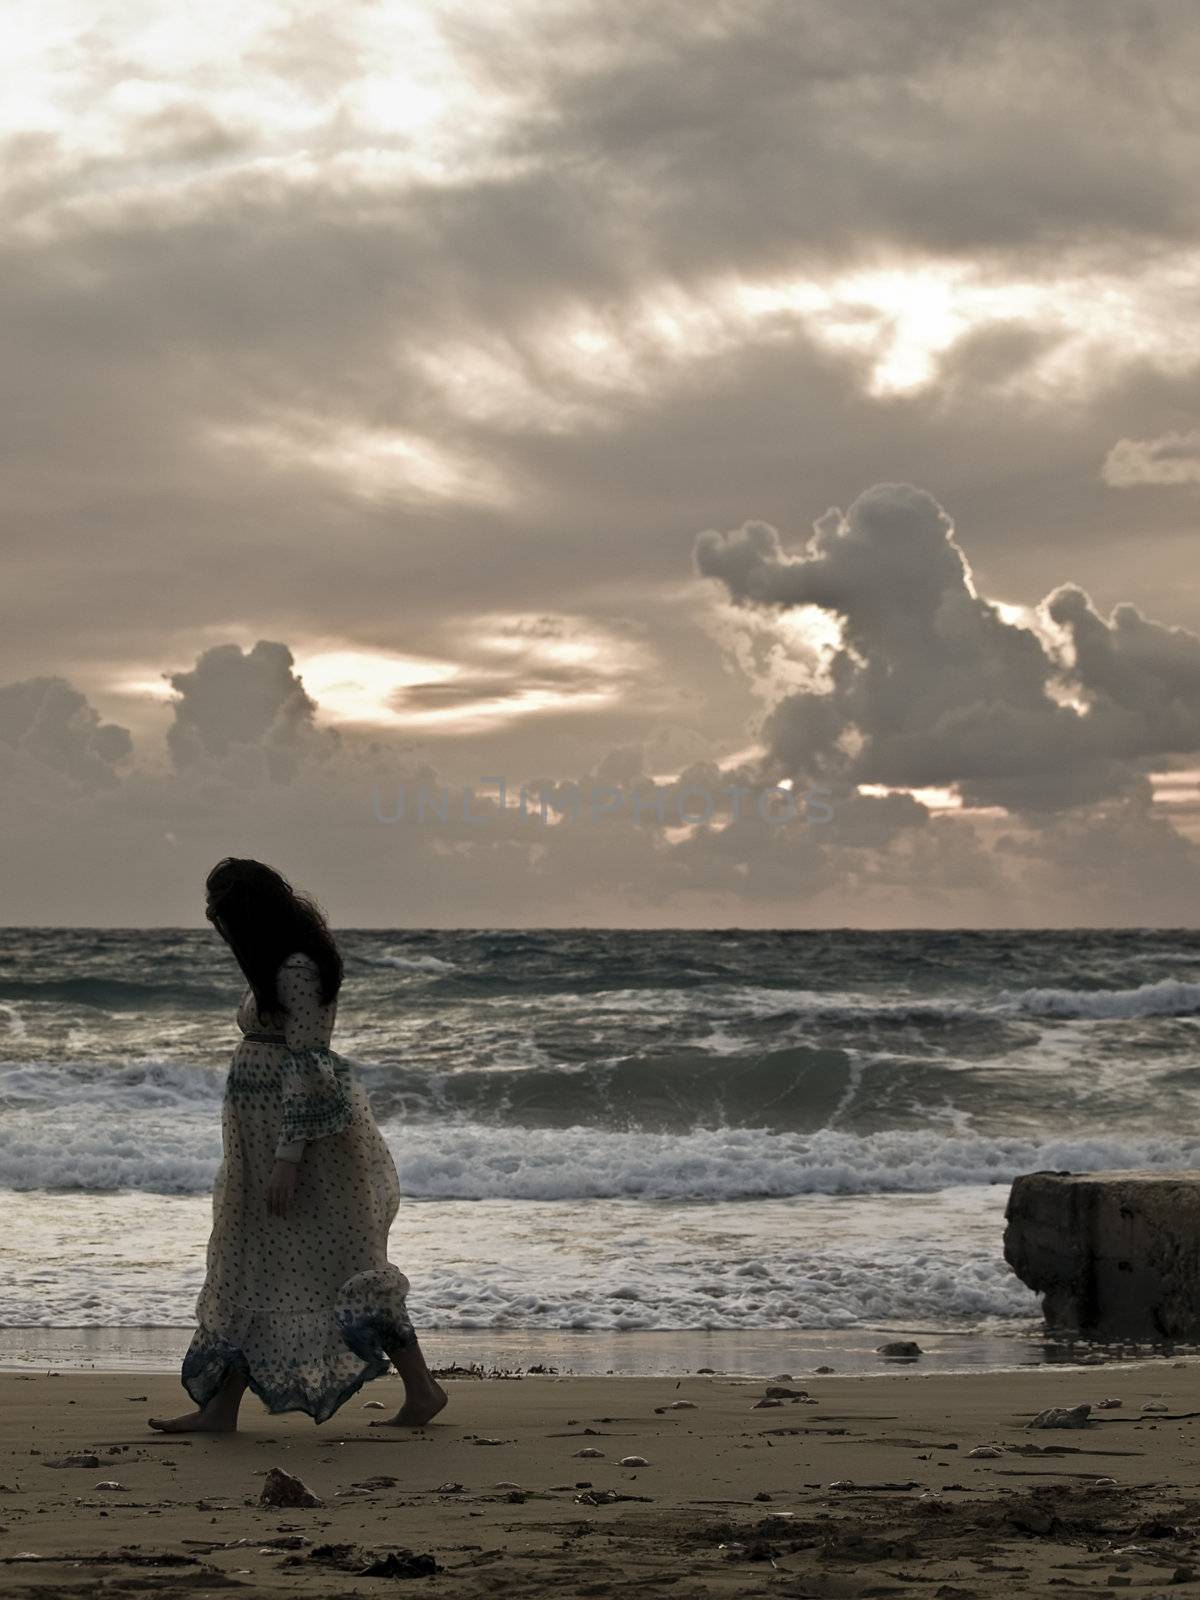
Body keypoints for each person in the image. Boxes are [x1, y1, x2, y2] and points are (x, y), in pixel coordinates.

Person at [149, 857, 446, 1432]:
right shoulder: (275, 964)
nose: (215, 922)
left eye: (222, 913)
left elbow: (310, 1069)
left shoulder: (298, 968)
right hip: (258, 1150)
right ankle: (220, 1410)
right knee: (249, 1265)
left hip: (306, 1156)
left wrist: (287, 1162)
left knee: (348, 1268)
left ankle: (423, 1390)